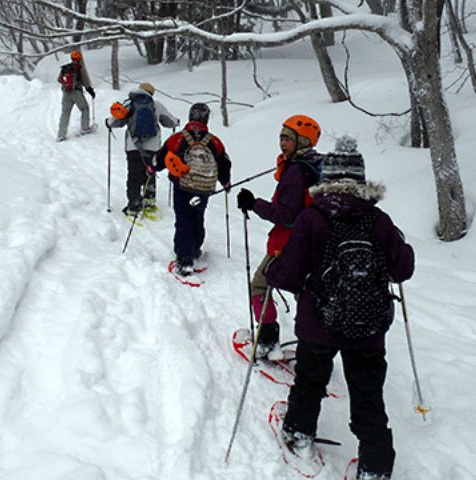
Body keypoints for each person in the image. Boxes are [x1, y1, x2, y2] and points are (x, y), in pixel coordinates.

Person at [264, 137, 415, 480]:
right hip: (369, 326)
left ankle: (298, 433)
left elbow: (288, 275)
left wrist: (274, 271)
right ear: (361, 179)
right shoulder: (378, 220)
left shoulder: (312, 218)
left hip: (319, 324)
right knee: (368, 396)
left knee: (310, 381)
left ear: (327, 178)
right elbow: (402, 269)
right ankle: (375, 467)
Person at [236, 114, 323, 358]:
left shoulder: (295, 172)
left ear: (302, 141)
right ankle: (313, 348)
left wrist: (254, 204)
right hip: (313, 245)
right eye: (281, 137)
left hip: (288, 245)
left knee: (259, 286)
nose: (282, 143)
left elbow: (286, 215)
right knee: (305, 295)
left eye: (288, 138)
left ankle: (266, 340)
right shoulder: (316, 166)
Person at [154, 103, 231, 276]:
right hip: (203, 188)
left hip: (183, 186)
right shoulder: (214, 141)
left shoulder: (178, 139)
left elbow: (162, 157)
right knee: (197, 216)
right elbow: (224, 163)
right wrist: (225, 182)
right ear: (206, 118)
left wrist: (153, 168)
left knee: (183, 219)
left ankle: (184, 258)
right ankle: (195, 248)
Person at [106, 83, 179, 216]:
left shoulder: (130, 104)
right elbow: (170, 121)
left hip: (133, 146)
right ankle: (149, 201)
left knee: (133, 175)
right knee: (149, 172)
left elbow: (117, 121)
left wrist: (108, 122)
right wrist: (176, 122)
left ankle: (134, 205)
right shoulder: (156, 105)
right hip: (152, 147)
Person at [57, 50, 96, 142]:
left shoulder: (65, 68)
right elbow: (86, 81)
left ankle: (61, 134)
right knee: (84, 108)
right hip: (76, 92)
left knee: (65, 113)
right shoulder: (79, 67)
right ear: (79, 58)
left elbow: (59, 80)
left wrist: (67, 84)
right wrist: (91, 91)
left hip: (66, 93)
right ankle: (85, 128)